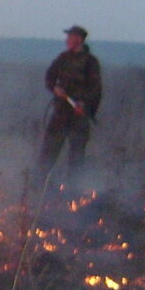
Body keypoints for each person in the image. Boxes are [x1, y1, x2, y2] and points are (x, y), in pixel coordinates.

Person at [39, 25, 102, 182]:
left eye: (70, 37)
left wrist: (85, 105)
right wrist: (55, 89)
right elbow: (49, 78)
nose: (67, 40)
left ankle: (73, 192)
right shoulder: (62, 59)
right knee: (48, 153)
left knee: (76, 157)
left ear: (78, 39)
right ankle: (38, 187)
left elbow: (95, 89)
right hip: (60, 112)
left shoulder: (90, 62)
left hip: (79, 116)